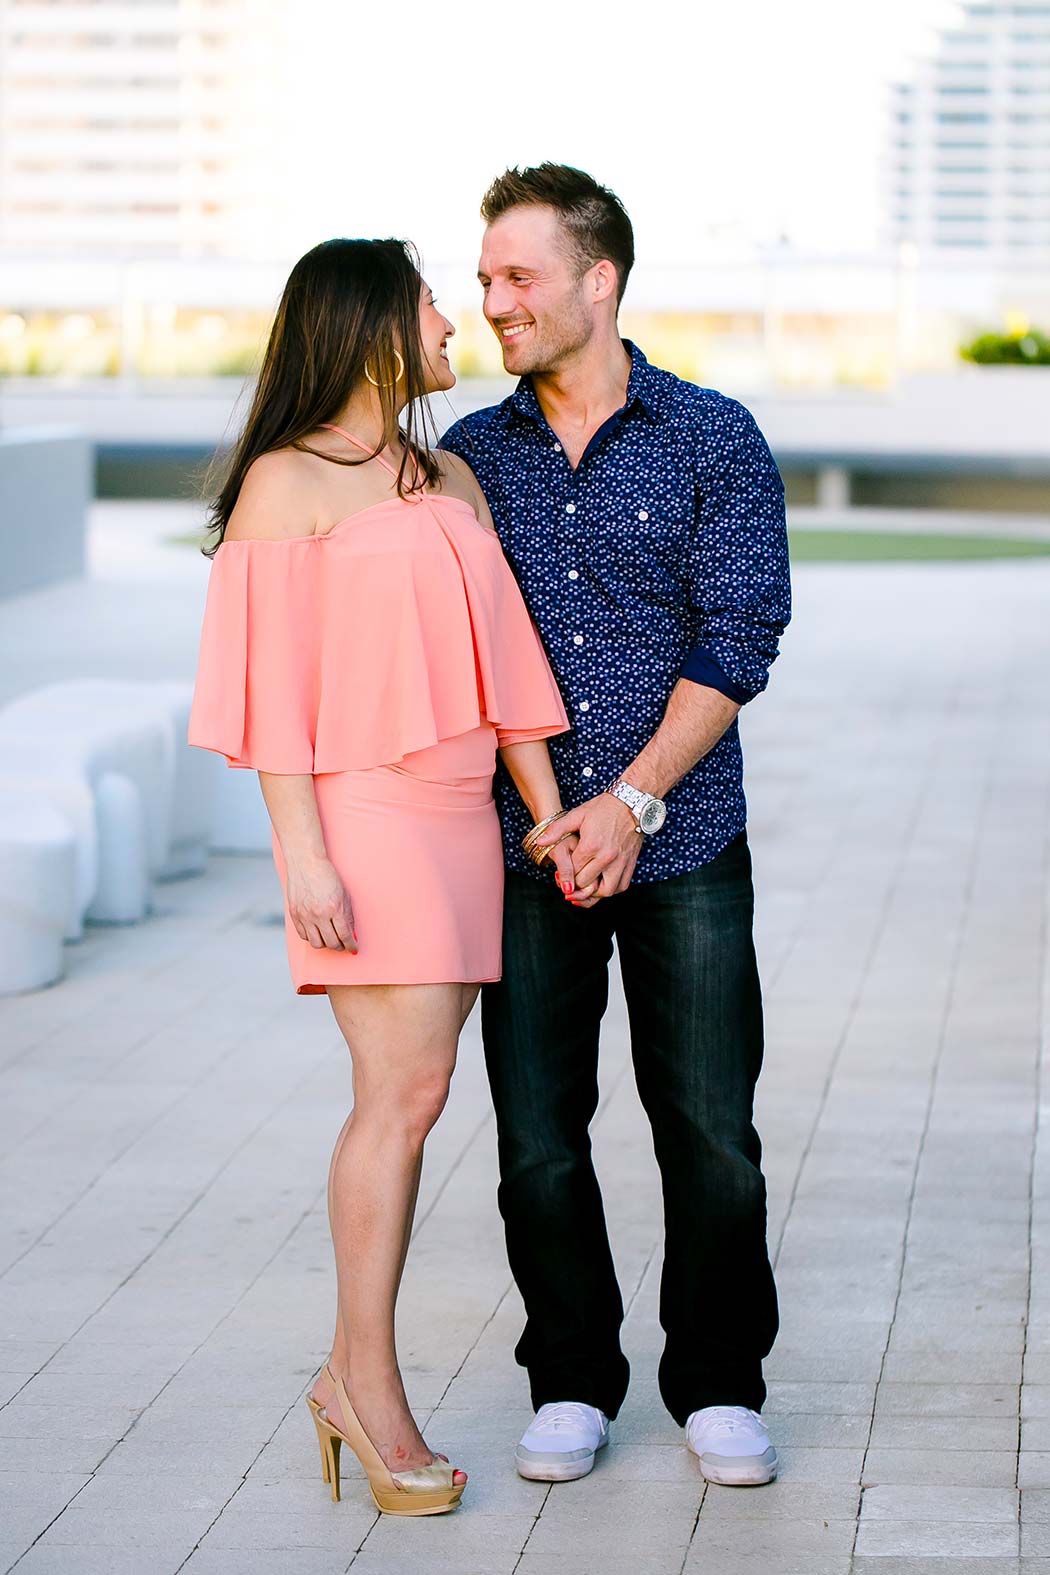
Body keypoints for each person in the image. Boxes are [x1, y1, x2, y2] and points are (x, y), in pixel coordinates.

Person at [188, 237, 578, 1516]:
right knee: (401, 1097)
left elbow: (508, 660)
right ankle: (364, 1386)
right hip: (363, 818)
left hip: (465, 816)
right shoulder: (283, 486)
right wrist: (302, 856)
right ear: (366, 326)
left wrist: (550, 819)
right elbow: (270, 693)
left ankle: (352, 1381)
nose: (456, 324)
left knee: (416, 1092)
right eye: (431, 306)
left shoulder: (447, 468)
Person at [440, 165, 791, 1489]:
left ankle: (715, 1381)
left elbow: (740, 630)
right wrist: (558, 818)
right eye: (482, 281)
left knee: (707, 1126)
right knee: (535, 1131)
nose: (494, 303)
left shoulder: (712, 434)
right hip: (529, 855)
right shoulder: (472, 459)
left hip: (686, 838)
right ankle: (572, 1375)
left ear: (600, 280)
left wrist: (632, 797)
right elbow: (471, 654)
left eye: (516, 276)